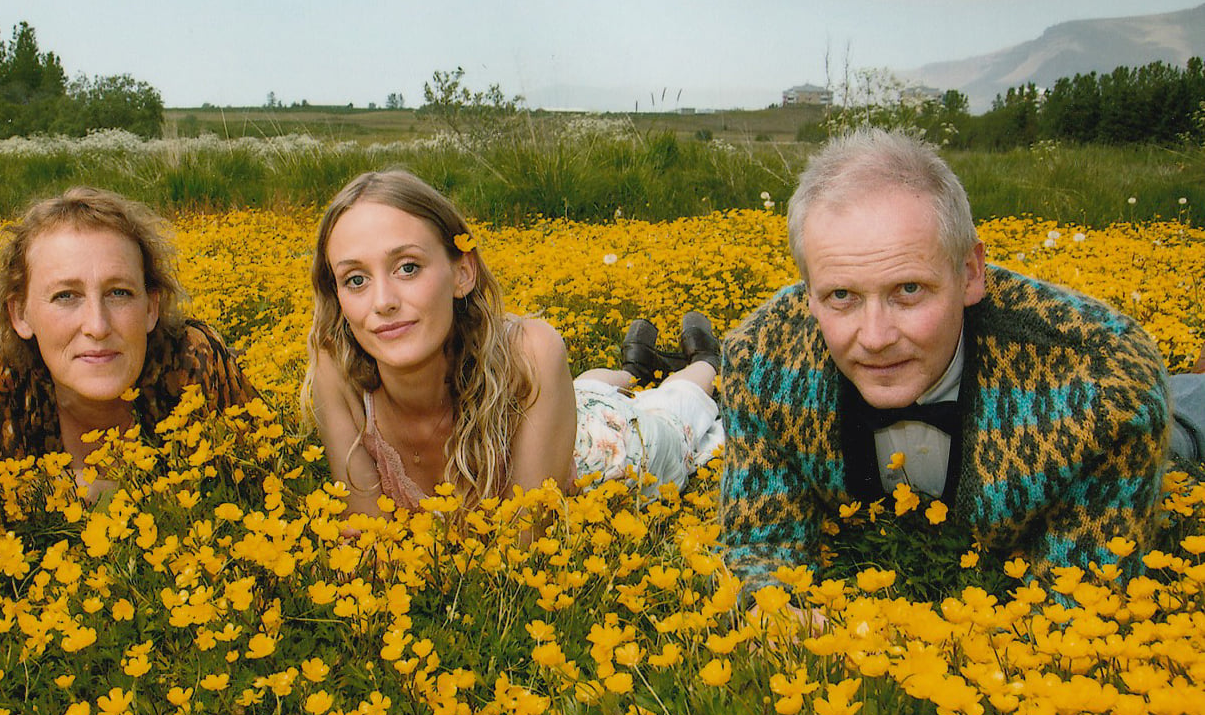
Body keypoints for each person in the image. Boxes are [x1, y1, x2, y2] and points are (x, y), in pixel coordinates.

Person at [719, 127, 1196, 599]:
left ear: (970, 274)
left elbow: (1080, 602)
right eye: (841, 296)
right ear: (808, 294)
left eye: (908, 290)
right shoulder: (760, 362)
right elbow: (760, 546)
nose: (876, 337)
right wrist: (777, 611)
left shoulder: (1102, 385)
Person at [303, 169, 724, 517]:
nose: (383, 302)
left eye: (408, 268)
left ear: (462, 272)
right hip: (555, 403)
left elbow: (524, 541)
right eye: (355, 279)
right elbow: (369, 541)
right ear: (337, 296)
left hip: (605, 444)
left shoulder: (533, 350)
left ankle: (704, 360)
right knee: (584, 390)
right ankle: (634, 367)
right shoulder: (334, 369)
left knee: (672, 409)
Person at [0, 187, 255, 489]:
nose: (97, 326)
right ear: (20, 314)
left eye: (119, 293)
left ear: (151, 308)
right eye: (65, 296)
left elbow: (257, 482)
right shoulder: (3, 372)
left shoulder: (193, 360)